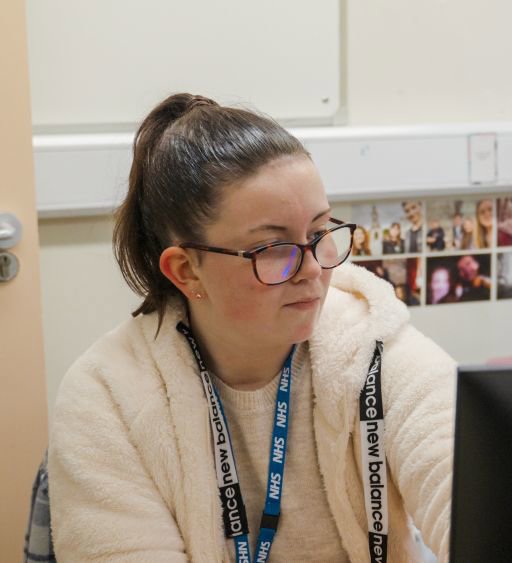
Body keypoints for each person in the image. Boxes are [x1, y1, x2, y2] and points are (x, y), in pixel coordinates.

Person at [47, 93, 456, 562]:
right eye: (273, 248)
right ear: (186, 271)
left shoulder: (376, 347)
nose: (312, 270)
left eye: (320, 233)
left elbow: (469, 492)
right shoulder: (107, 397)